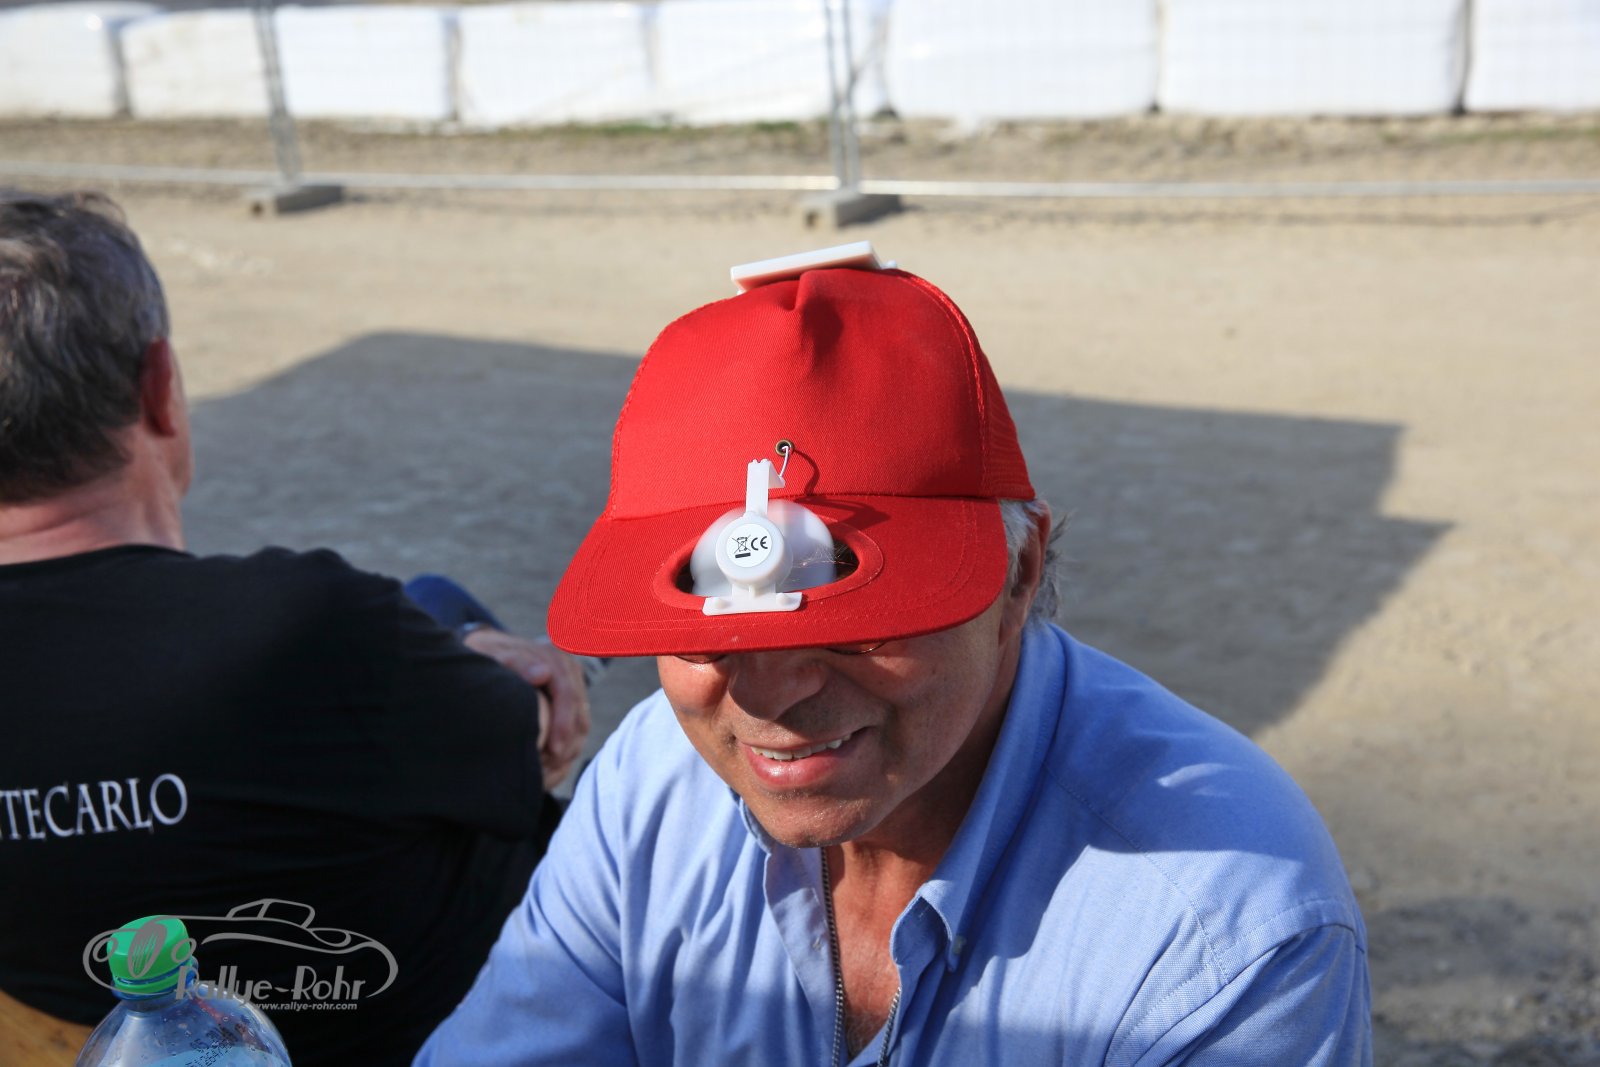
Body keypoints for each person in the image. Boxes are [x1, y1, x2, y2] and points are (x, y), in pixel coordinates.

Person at [417, 249, 1373, 1065]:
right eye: (708, 630)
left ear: (1018, 573)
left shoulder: (1221, 923)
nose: (769, 692)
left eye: (853, 615)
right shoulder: (651, 783)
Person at [0, 189, 590, 1065]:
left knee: (434, 608)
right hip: (452, 1030)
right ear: (160, 387)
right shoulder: (310, 629)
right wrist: (507, 673)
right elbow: (536, 736)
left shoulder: (320, 637)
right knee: (442, 611)